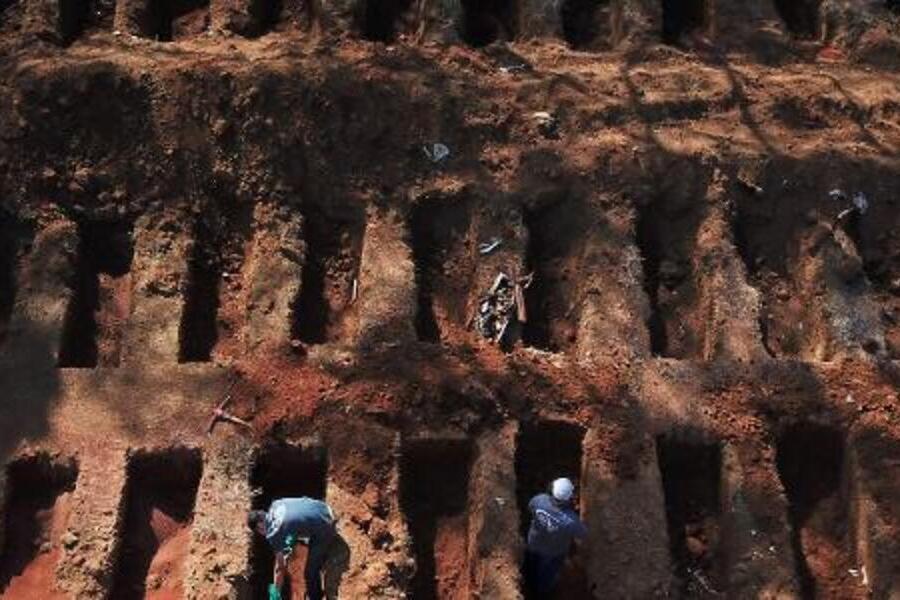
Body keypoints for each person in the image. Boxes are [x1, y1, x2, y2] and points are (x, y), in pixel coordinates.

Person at [248, 497, 350, 600]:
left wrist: (275, 593)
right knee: (301, 536)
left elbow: (280, 568)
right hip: (326, 509)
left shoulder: (274, 533)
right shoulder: (276, 504)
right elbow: (292, 520)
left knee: (310, 573)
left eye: (259, 532)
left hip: (326, 526)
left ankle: (316, 597)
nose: (262, 534)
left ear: (260, 526)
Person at [523, 477, 587, 596]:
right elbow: (582, 533)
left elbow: (530, 507)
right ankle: (541, 593)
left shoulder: (539, 500)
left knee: (531, 566)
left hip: (533, 543)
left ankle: (528, 584)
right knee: (546, 575)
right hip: (553, 553)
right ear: (568, 498)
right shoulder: (571, 520)